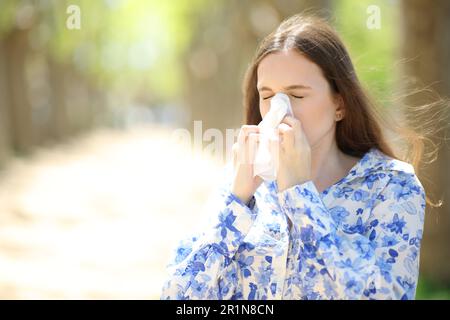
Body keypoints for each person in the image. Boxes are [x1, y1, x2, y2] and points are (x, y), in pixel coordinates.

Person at [160, 14, 426, 300]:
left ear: (340, 103)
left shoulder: (391, 186)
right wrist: (235, 202)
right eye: (268, 95)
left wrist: (301, 195)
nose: (279, 110)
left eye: (296, 96)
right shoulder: (243, 185)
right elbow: (178, 298)